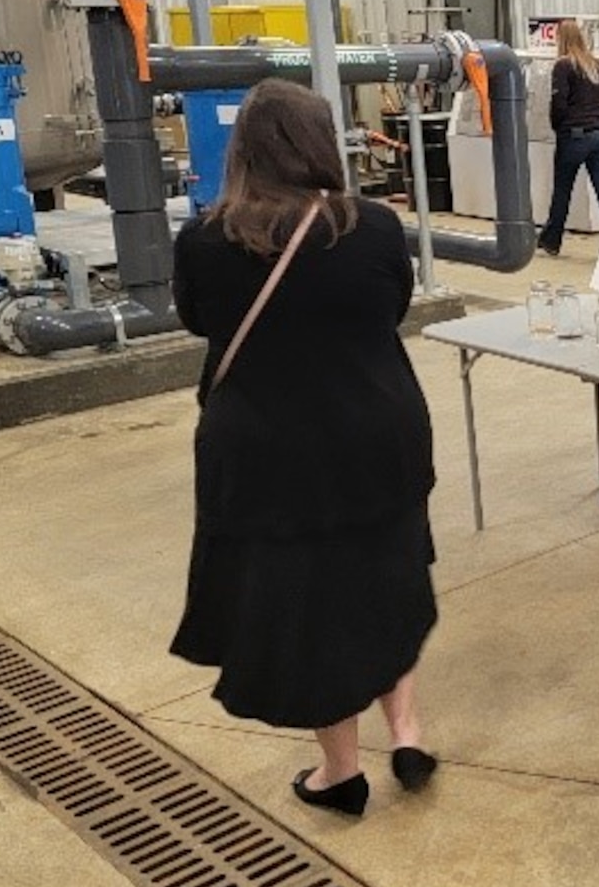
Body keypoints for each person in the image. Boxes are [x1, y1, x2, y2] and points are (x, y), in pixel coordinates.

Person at [170, 79, 440, 818]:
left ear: (244, 151)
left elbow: (198, 323)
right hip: (376, 438)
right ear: (323, 142)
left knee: (315, 608)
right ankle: (408, 732)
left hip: (270, 457)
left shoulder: (203, 241)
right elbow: (390, 308)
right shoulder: (377, 227)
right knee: (391, 579)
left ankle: (341, 772)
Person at [539, 19, 599, 255]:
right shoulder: (595, 65)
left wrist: (557, 128)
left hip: (576, 135)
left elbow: (559, 105)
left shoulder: (563, 66)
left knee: (563, 189)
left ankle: (552, 240)